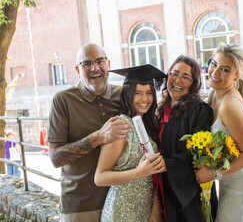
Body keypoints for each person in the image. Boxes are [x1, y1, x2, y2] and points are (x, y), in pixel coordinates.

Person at [46, 43, 131, 222]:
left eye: (100, 61)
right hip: (80, 206)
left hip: (120, 200)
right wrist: (98, 137)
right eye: (87, 64)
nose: (95, 68)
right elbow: (55, 158)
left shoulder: (123, 95)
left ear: (108, 63)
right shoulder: (63, 101)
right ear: (78, 69)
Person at [195, 43, 243, 222]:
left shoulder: (229, 105)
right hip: (230, 183)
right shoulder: (215, 94)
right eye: (214, 64)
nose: (215, 72)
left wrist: (212, 174)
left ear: (237, 75)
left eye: (225, 69)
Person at [94, 64, 167, 222]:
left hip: (146, 209)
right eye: (137, 93)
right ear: (127, 94)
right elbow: (99, 177)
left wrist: (155, 209)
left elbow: (153, 175)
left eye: (149, 93)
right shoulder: (121, 127)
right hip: (120, 211)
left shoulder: (151, 123)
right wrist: (139, 173)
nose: (144, 99)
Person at [156, 55, 218, 222]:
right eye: (174, 73)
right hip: (164, 188)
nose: (178, 80)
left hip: (188, 194)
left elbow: (197, 152)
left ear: (194, 83)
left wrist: (167, 164)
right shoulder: (161, 110)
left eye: (185, 77)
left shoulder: (199, 110)